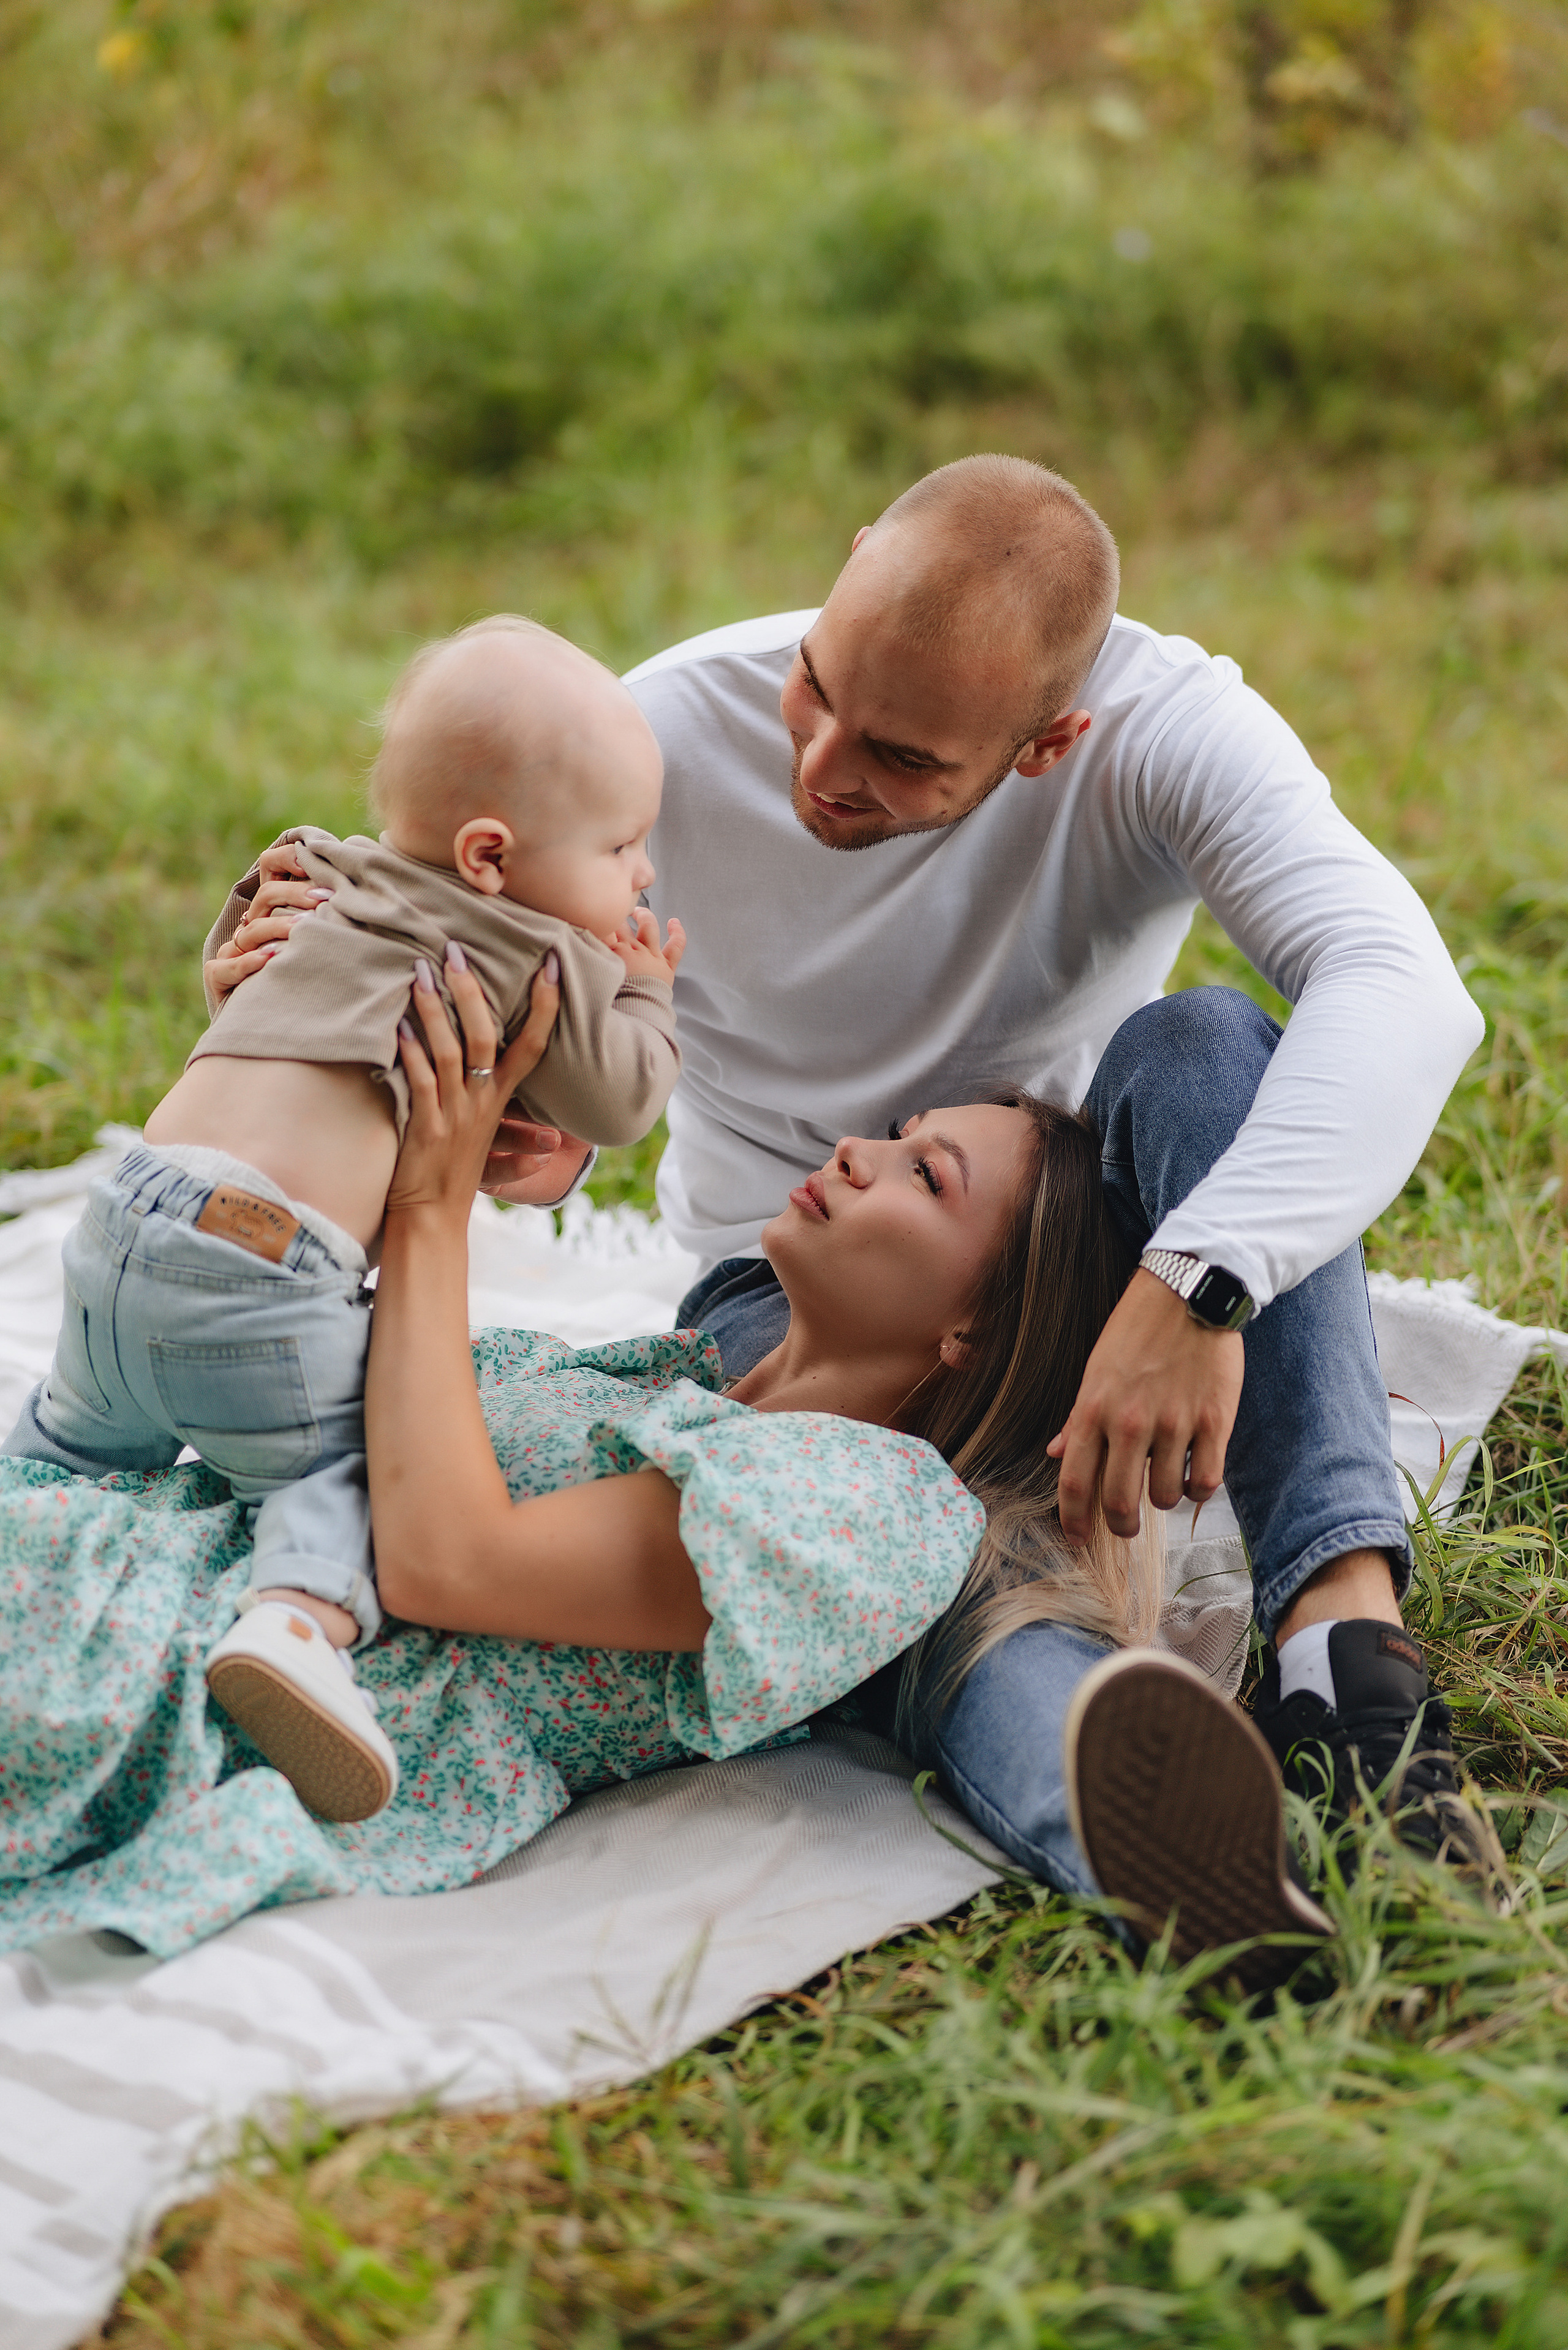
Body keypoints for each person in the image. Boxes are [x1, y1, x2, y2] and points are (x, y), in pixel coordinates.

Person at [216, 454, 1490, 1953]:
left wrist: (1197, 1286)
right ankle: (1164, 1849)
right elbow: (466, 921)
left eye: (897, 755)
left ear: (1049, 739)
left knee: (1205, 1044)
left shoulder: (1166, 737)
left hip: (1093, 1255)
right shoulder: (667, 728)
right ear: (843, 567)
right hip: (801, 1291)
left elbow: (1404, 986)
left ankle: (1344, 1669)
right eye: (816, 685)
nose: (820, 759)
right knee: (909, 1570)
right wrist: (319, 946)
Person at [0, 960, 1170, 1965]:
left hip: (190, 1682)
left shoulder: (877, 1509)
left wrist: (436, 1202)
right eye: (901, 1135)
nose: (861, 1150)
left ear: (978, 1331)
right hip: (127, 1542)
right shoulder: (667, 1382)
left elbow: (445, 1561)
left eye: (927, 1175)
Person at [2, 617, 682, 1828]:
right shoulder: (535, 947)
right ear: (490, 856)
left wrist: (236, 957)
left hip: (121, 1226)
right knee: (370, 1454)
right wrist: (643, 987)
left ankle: (30, 1495)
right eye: (624, 845)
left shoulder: (326, 869)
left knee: (72, 1445)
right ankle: (296, 1624)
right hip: (257, 1278)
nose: (639, 877)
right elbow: (622, 1098)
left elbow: (255, 902)